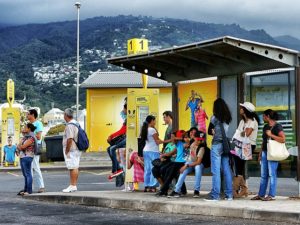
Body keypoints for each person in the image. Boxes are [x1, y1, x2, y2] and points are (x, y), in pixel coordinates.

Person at [251, 109, 285, 201]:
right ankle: (261, 194)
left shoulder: (278, 126)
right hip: (265, 153)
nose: (263, 117)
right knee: (263, 175)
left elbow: (283, 139)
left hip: (273, 153)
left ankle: (271, 195)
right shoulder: (265, 127)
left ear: (268, 116)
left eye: (264, 116)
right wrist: (260, 153)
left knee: (272, 174)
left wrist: (271, 135)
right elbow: (264, 141)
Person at [204, 98, 233, 201]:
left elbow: (209, 131)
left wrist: (213, 131)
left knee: (216, 171)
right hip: (225, 145)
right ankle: (229, 195)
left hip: (216, 145)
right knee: (226, 170)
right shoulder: (228, 117)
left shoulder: (214, 118)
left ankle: (215, 195)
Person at [232, 102, 259, 198]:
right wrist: (240, 133)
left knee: (239, 166)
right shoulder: (242, 122)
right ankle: (243, 189)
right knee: (237, 166)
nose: (240, 109)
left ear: (245, 110)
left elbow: (246, 134)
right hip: (240, 145)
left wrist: (240, 133)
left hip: (249, 145)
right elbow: (240, 134)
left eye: (242, 107)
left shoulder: (253, 121)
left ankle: (236, 190)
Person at [172, 131, 206, 198]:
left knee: (198, 167)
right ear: (194, 138)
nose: (199, 142)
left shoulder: (202, 147)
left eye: (201, 140)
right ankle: (176, 191)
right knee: (183, 171)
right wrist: (185, 166)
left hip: (198, 163)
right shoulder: (191, 143)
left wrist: (186, 165)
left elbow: (198, 162)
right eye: (198, 139)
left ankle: (196, 190)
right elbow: (190, 158)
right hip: (191, 162)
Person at [156, 130, 187, 197]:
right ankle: (182, 190)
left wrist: (182, 135)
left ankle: (164, 191)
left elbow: (185, 141)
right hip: (177, 162)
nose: (173, 138)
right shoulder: (178, 143)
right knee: (168, 171)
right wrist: (163, 155)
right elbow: (172, 151)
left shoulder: (186, 141)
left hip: (183, 163)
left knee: (170, 172)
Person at [140, 115, 164, 192]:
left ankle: (146, 185)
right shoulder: (152, 130)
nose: (155, 122)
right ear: (151, 121)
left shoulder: (145, 129)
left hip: (146, 151)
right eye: (154, 120)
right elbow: (157, 141)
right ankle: (153, 186)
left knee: (147, 169)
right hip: (153, 151)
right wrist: (168, 140)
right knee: (154, 168)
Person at [62, 108, 82, 193]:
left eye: (64, 114)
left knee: (72, 167)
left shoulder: (70, 125)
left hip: (72, 149)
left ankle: (72, 185)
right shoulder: (76, 123)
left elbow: (69, 139)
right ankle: (73, 185)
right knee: (75, 167)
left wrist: (67, 150)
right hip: (76, 149)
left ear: (66, 115)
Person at [27, 109, 45, 193]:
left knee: (36, 166)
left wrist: (29, 133)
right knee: (29, 167)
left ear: (33, 115)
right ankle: (30, 187)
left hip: (34, 147)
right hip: (28, 148)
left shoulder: (38, 123)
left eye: (28, 114)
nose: (27, 115)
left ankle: (41, 186)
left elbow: (38, 137)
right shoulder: (29, 124)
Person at [17, 123, 37, 196]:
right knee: (25, 174)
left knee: (28, 174)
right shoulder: (25, 137)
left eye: (25, 127)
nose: (24, 128)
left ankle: (29, 190)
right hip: (23, 156)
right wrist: (20, 146)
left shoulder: (31, 138)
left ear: (29, 129)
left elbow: (22, 147)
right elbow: (19, 145)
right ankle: (25, 190)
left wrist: (20, 146)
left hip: (28, 157)